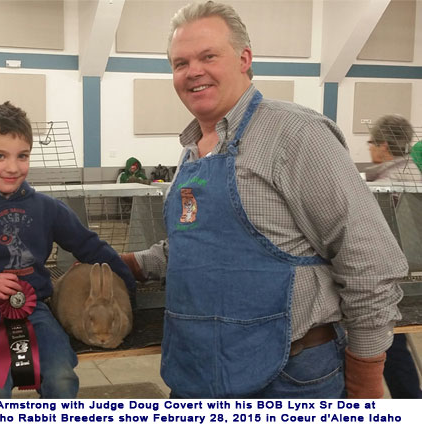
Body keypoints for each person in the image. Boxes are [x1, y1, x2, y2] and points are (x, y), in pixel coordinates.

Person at [121, 1, 407, 399]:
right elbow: (198, 248)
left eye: (208, 56)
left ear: (244, 58)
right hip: (197, 374)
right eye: (180, 63)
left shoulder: (296, 135)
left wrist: (365, 378)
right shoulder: (191, 151)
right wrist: (129, 263)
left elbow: (370, 261)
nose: (193, 72)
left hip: (288, 381)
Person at [0, 102, 136, 398]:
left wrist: (127, 286)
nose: (12, 167)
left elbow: (89, 246)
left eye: (22, 156)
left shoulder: (46, 208)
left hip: (35, 310)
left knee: (61, 377)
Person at [365, 115, 422, 399]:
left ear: (384, 145)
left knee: (390, 347)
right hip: (408, 281)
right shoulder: (412, 173)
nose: (370, 149)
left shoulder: (386, 185)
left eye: (372, 143)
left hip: (393, 285)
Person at [365, 114, 422, 184]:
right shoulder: (412, 169)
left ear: (383, 146)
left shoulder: (384, 183)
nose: (369, 148)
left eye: (371, 143)